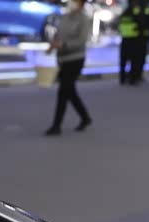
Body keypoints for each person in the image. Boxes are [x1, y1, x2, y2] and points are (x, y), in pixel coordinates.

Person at [45, 0, 92, 135]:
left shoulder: (84, 19)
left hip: (75, 59)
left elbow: (81, 40)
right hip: (62, 59)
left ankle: (56, 126)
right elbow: (58, 34)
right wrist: (53, 45)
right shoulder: (64, 17)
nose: (72, 3)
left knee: (63, 91)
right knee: (70, 91)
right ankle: (85, 117)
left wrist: (64, 45)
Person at [119, 0, 145, 84]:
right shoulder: (135, 14)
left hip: (124, 39)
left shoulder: (124, 13)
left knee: (123, 61)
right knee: (134, 60)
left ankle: (122, 78)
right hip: (134, 40)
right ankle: (132, 79)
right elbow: (141, 26)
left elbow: (119, 26)